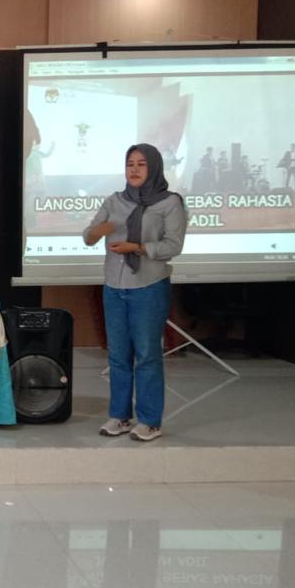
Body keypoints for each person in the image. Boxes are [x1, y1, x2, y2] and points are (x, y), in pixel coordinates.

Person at [83, 143, 188, 442]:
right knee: (118, 356)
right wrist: (96, 232)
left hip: (148, 287)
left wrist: (138, 248)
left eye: (141, 164)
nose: (135, 169)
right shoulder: (114, 200)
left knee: (147, 355)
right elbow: (89, 236)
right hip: (114, 287)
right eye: (130, 164)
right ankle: (119, 416)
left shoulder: (170, 203)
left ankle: (150, 421)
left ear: (153, 167)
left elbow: (174, 245)